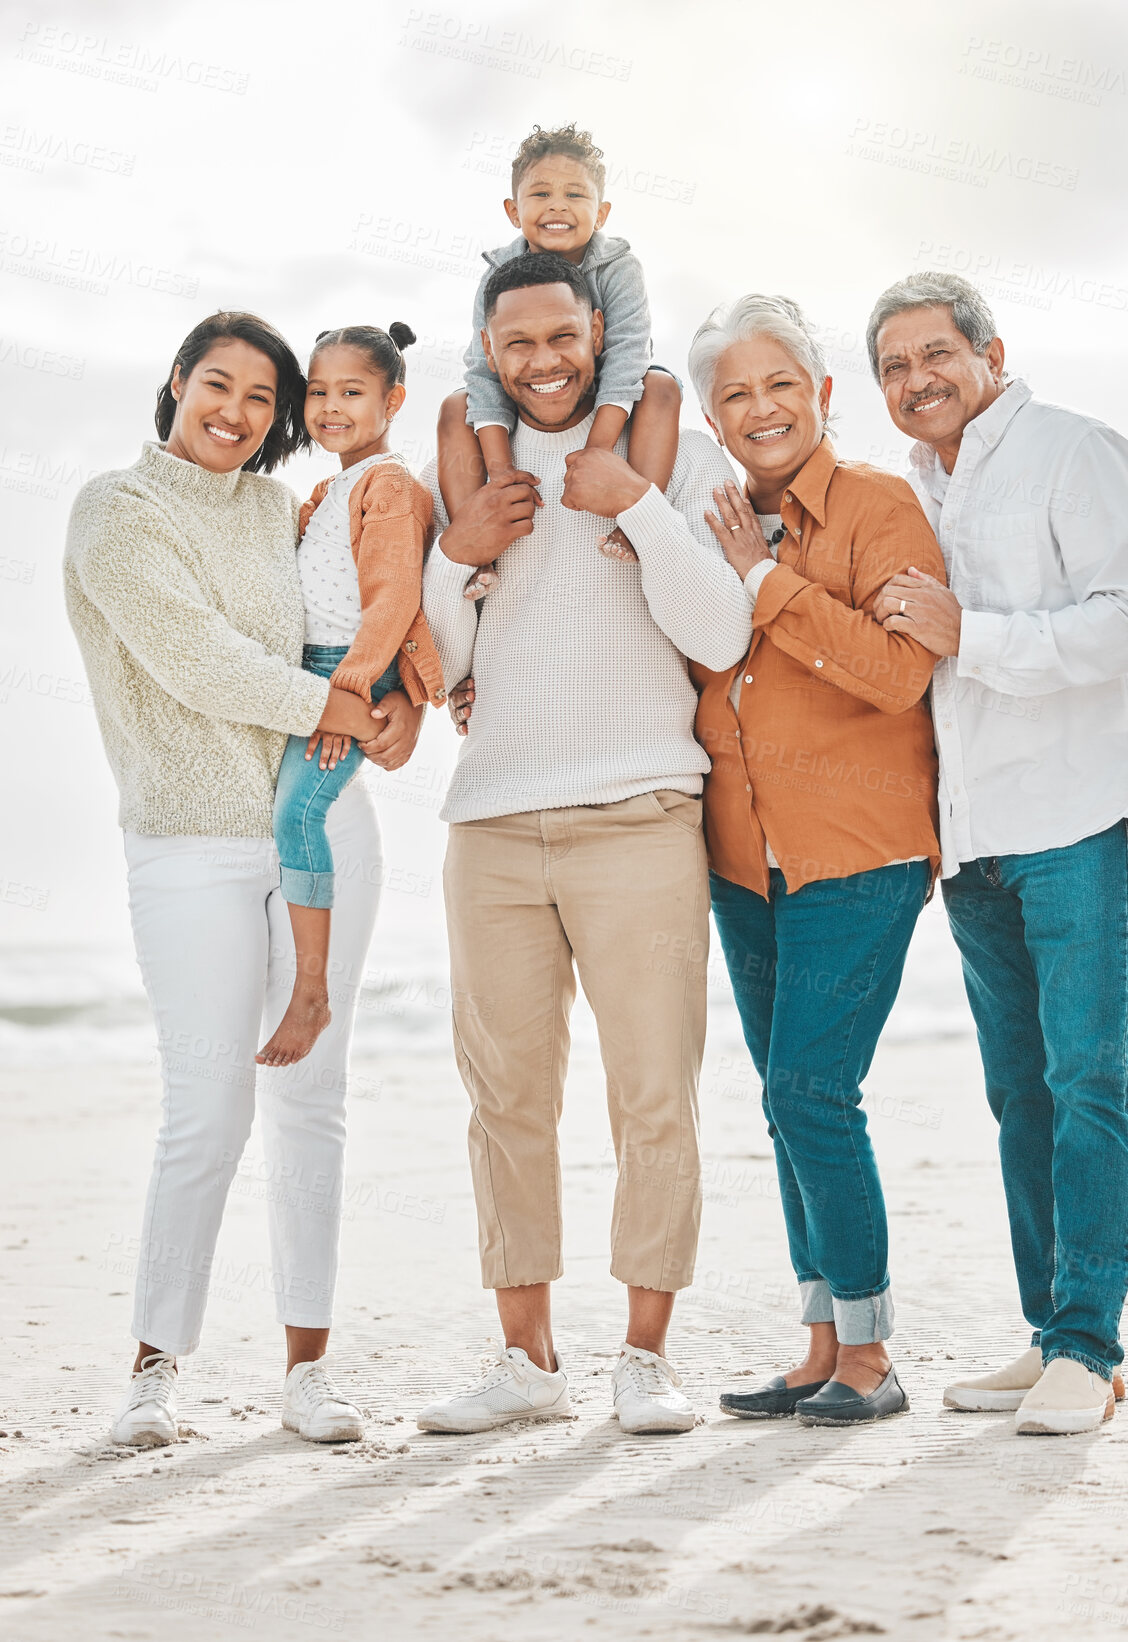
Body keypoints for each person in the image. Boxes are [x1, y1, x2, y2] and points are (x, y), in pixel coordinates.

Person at [64, 312, 420, 1450]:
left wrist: (400, 699)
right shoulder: (114, 512)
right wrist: (340, 709)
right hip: (188, 846)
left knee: (311, 1104)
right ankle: (154, 1373)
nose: (237, 411)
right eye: (217, 384)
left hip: (323, 831)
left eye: (262, 398)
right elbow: (194, 657)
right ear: (175, 383)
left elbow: (345, 619)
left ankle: (307, 1371)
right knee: (205, 1108)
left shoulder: (288, 509)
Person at [416, 251, 753, 1436]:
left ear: (595, 332)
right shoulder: (464, 462)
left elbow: (719, 633)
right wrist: (458, 554)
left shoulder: (670, 450)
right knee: (504, 1098)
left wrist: (639, 508)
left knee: (652, 1093)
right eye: (517, 344)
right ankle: (526, 1361)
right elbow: (441, 668)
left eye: (563, 336)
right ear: (489, 351)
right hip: (493, 823)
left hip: (642, 813)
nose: (543, 362)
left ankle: (645, 1358)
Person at [866, 271, 1128, 1435]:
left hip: (1081, 814)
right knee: (1018, 1097)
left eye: (935, 353)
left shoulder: (1072, 450)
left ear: (990, 350)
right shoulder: (915, 489)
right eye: (893, 365)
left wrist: (970, 635)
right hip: (974, 840)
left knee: (1090, 1081)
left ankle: (1087, 1351)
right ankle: (1051, 1335)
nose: (916, 379)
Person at [679, 295, 945, 1428]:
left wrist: (766, 584)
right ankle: (820, 1342)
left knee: (809, 1090)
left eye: (777, 384)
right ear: (712, 417)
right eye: (733, 394)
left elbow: (895, 676)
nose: (759, 409)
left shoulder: (879, 508)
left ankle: (873, 1356)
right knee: (783, 1102)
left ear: (821, 393)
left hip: (859, 851)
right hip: (745, 858)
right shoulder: (717, 523)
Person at [258, 322, 443, 1067]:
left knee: (296, 811)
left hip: (350, 666)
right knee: (286, 809)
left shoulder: (389, 485)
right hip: (316, 669)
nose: (331, 406)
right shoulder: (329, 488)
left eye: (353, 392)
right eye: (320, 392)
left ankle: (311, 992)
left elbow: (394, 596)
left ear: (392, 399)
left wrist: (353, 683)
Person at [436, 122, 680, 561]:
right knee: (456, 406)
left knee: (663, 387)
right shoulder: (498, 273)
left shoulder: (619, 266)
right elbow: (483, 368)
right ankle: (477, 545)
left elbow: (628, 354)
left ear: (601, 213)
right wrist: (500, 470)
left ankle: (637, 521)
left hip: (603, 387)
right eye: (541, 194)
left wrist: (596, 455)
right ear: (513, 211)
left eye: (575, 194)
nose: (558, 207)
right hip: (526, 387)